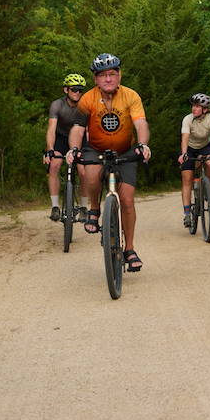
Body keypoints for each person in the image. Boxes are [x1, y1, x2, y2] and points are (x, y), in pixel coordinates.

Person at [67, 53, 151, 272]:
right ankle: (94, 208)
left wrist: (143, 144)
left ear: (119, 75)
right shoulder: (87, 98)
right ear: (95, 79)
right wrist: (74, 149)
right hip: (96, 149)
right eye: (102, 75)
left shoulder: (131, 96)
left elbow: (140, 123)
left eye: (112, 74)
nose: (108, 79)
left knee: (128, 200)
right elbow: (77, 128)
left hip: (125, 151)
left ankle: (129, 248)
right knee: (92, 177)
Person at [177, 93, 210, 229]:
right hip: (189, 147)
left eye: (197, 106)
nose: (193, 109)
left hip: (204, 146)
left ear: (205, 109)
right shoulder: (187, 119)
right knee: (187, 179)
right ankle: (187, 212)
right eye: (193, 106)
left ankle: (206, 185)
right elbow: (185, 138)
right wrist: (184, 154)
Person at [43, 73, 89, 222]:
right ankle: (55, 206)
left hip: (80, 138)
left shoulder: (85, 105)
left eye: (80, 90)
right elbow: (51, 130)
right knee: (55, 165)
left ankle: (83, 208)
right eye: (74, 89)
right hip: (61, 138)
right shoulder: (57, 105)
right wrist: (49, 149)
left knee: (83, 172)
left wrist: (90, 150)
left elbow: (88, 130)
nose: (77, 92)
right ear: (66, 90)